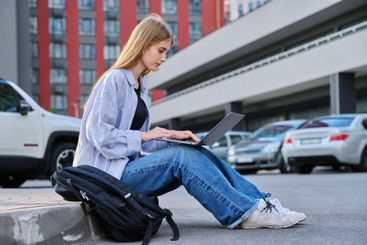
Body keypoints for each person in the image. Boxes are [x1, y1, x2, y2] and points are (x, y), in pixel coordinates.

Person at [73, 14, 306, 230]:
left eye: (167, 52)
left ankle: (262, 203)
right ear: (143, 45)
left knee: (195, 152)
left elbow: (142, 144)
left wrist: (173, 137)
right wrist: (147, 135)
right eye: (161, 50)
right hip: (105, 177)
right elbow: (100, 136)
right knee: (181, 159)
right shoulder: (114, 80)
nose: (164, 58)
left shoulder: (141, 89)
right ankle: (243, 213)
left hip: (124, 170)